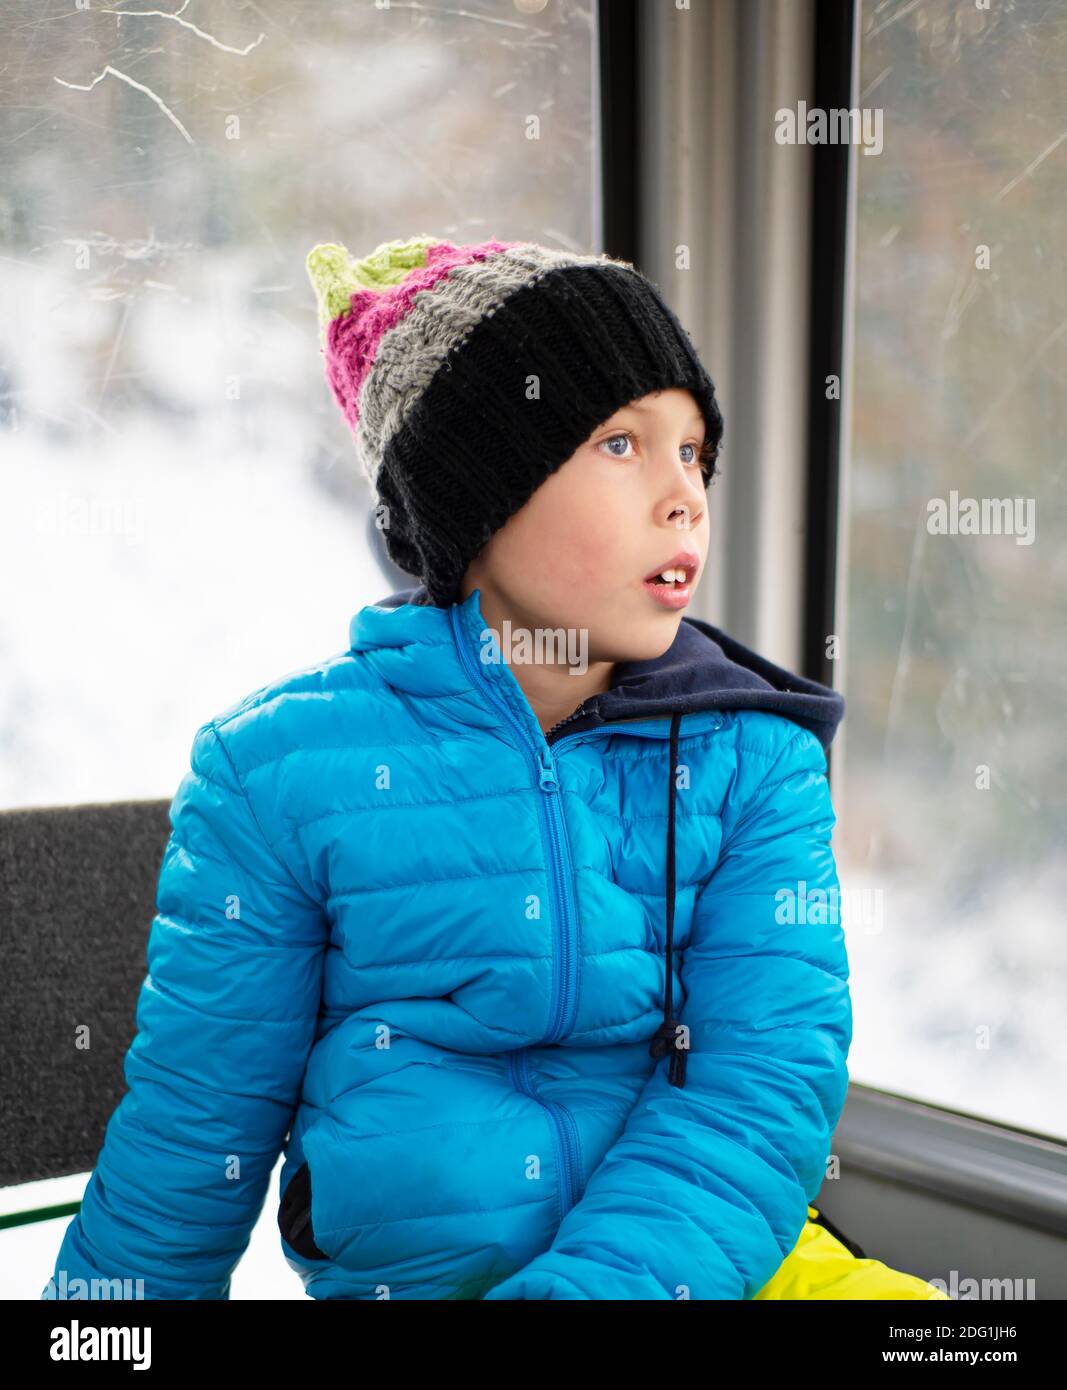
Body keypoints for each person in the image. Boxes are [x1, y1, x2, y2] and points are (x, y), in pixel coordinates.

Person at [43, 235, 947, 1301]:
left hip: (715, 1267)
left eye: (693, 451)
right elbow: (193, 1139)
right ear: (478, 498)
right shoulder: (275, 773)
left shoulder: (756, 756)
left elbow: (758, 1088)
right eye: (621, 444)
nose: (683, 496)